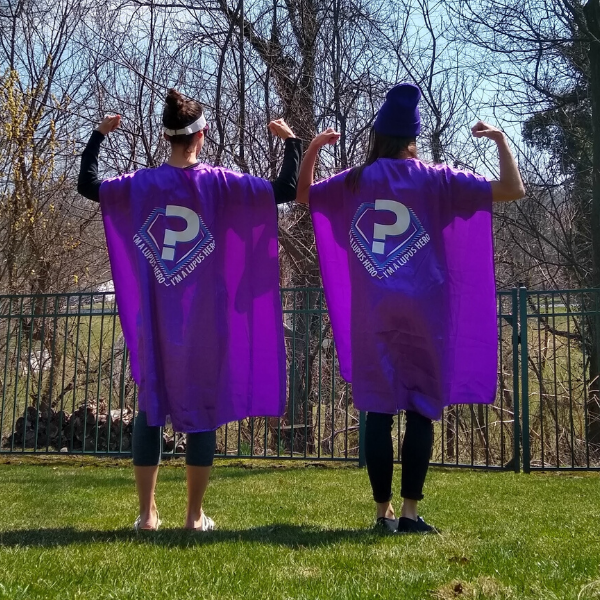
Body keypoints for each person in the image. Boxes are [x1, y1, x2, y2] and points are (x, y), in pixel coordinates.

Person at [297, 83, 524, 533]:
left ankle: (380, 515)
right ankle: (410, 513)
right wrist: (500, 140)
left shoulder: (356, 181)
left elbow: (304, 196)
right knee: (421, 409)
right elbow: (512, 189)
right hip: (428, 313)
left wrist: (315, 150)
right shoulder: (436, 178)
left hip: (374, 314)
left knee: (377, 411)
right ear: (412, 138)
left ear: (379, 135)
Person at [78, 89, 302, 531]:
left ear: (167, 137)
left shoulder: (140, 185)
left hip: (155, 320)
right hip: (207, 322)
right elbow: (284, 190)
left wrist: (97, 136)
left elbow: (88, 185)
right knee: (203, 408)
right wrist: (291, 143)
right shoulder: (221, 183)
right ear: (200, 137)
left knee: (151, 406)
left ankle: (146, 514)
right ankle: (194, 516)